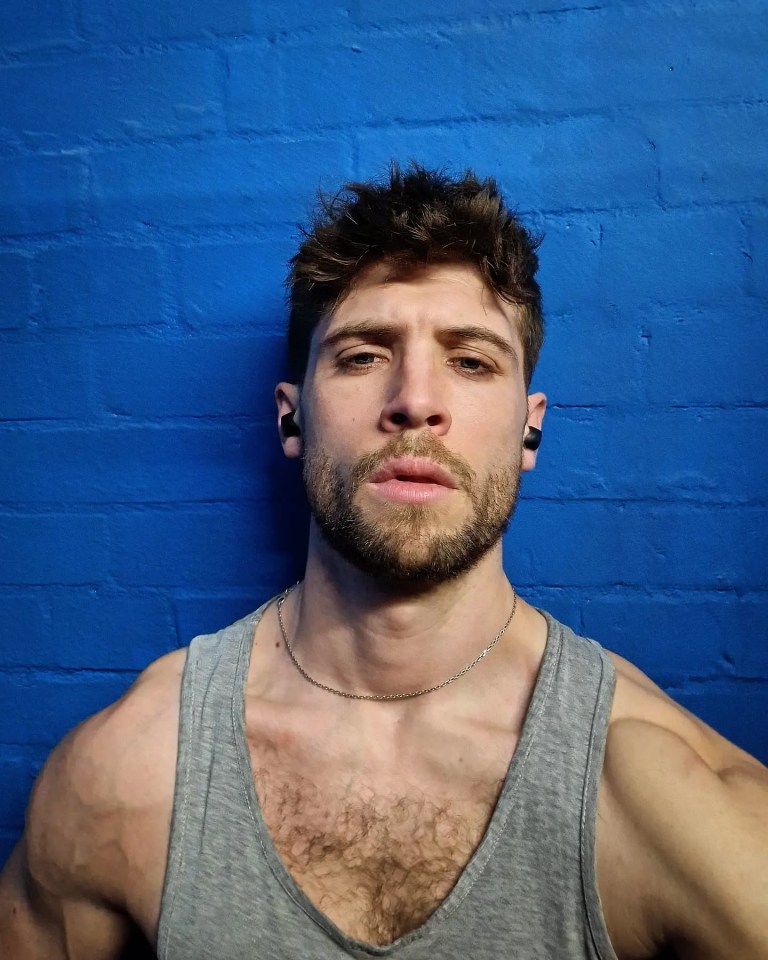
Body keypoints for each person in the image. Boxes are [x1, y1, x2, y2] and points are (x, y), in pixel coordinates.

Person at [0, 164, 766, 960]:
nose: (415, 400)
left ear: (530, 430)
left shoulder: (672, 802)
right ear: (291, 419)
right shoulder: (127, 775)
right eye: (363, 355)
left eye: (471, 361)